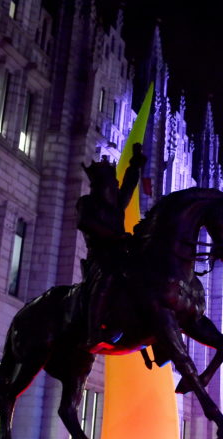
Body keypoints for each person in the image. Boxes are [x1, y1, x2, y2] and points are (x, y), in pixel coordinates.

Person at [77, 143, 146, 351]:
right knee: (108, 276)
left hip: (120, 256)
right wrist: (117, 237)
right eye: (112, 182)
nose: (116, 186)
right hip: (100, 258)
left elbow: (129, 185)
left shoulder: (116, 204)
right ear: (101, 185)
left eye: (115, 182)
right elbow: (85, 223)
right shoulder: (87, 203)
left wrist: (135, 163)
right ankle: (94, 330)